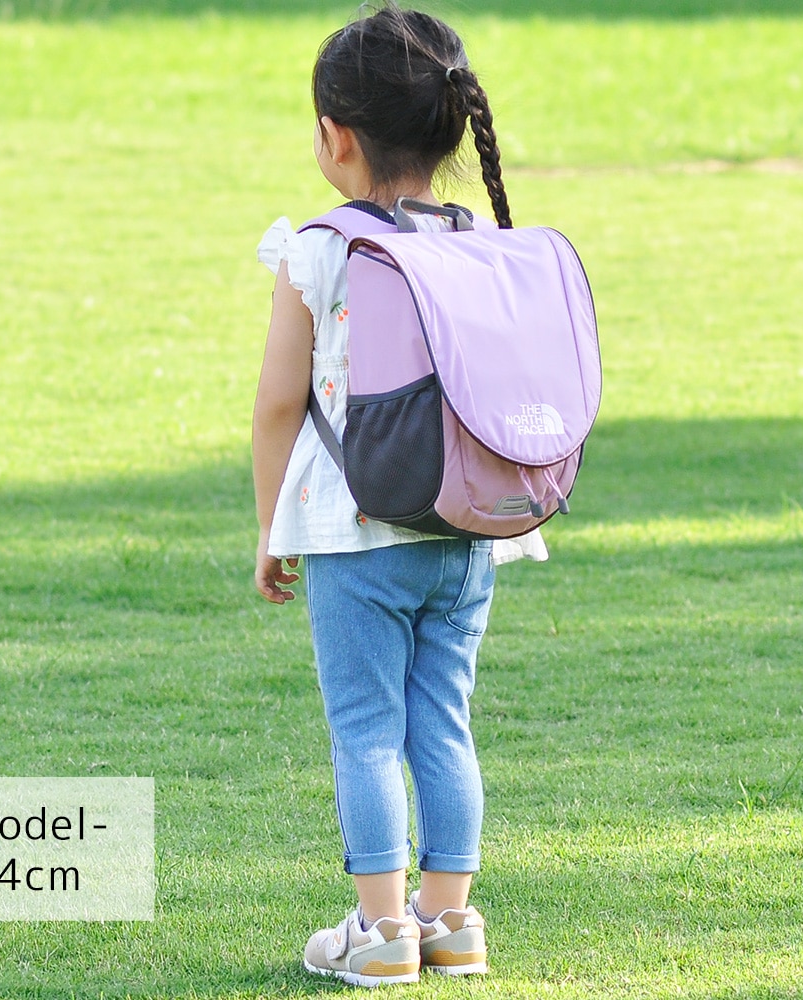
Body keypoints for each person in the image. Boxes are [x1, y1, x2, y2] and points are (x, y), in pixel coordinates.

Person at [252, 3, 544, 985]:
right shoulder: (477, 243)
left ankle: (380, 932)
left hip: (354, 531)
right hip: (465, 527)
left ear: (334, 137)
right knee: (442, 721)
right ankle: (449, 919)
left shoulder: (319, 250)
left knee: (365, 728)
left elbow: (277, 406)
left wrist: (272, 528)